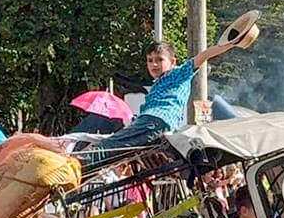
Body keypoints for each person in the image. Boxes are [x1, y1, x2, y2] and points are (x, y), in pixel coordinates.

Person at [96, 39, 241, 151]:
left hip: (155, 121)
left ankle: (77, 166)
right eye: (150, 60)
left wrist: (231, 43)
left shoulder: (178, 73)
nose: (154, 65)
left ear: (172, 62)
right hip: (160, 127)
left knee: (106, 147)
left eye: (160, 59)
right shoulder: (156, 85)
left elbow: (204, 55)